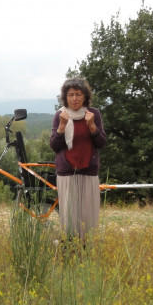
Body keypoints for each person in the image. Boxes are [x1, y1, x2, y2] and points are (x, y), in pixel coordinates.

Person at [49, 77, 107, 241]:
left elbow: (101, 142)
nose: (74, 99)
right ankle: (68, 248)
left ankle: (86, 248)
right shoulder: (60, 115)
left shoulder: (93, 114)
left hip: (88, 171)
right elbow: (54, 145)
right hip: (67, 172)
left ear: (85, 96)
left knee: (87, 215)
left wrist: (92, 127)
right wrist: (61, 127)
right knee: (70, 217)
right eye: (71, 95)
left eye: (78, 94)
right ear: (65, 97)